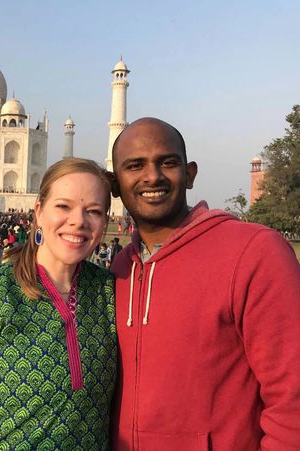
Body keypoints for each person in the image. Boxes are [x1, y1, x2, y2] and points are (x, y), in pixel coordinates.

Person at [109, 117, 300, 449]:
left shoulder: (253, 252)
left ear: (190, 174)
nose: (152, 176)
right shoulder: (120, 269)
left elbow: (292, 396)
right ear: (115, 184)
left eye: (167, 162)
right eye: (135, 165)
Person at [0, 158, 117, 449]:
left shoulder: (109, 293)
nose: (78, 221)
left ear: (104, 222)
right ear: (38, 211)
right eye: (63, 206)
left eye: (94, 211)